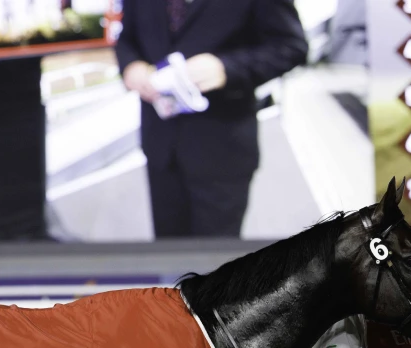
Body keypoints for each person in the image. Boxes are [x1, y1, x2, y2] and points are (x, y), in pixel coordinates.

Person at [115, 0, 308, 239]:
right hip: (161, 146)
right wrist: (131, 66)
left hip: (221, 145)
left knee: (215, 262)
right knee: (168, 250)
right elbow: (126, 38)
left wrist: (226, 68)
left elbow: (291, 46)